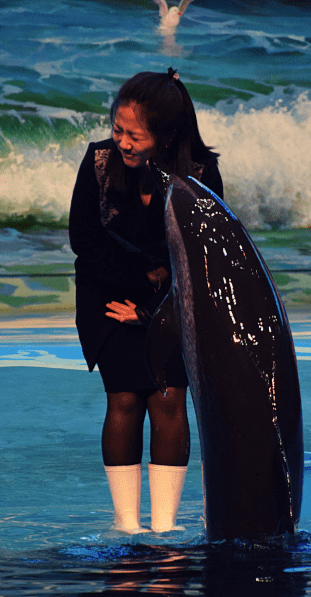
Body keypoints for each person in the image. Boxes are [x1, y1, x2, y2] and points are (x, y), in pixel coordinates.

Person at [69, 68, 223, 532]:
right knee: (124, 399)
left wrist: (156, 308)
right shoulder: (97, 161)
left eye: (135, 136)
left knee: (169, 398)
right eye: (118, 130)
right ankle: (126, 525)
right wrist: (136, 295)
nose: (123, 142)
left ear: (165, 135)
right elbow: (85, 243)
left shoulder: (200, 172)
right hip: (107, 294)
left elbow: (203, 255)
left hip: (175, 300)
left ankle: (165, 527)